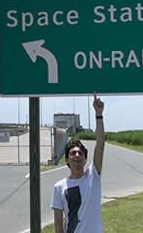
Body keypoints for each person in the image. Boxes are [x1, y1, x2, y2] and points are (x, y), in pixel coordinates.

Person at [51, 92, 105, 233]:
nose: (77, 155)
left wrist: (98, 115)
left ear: (85, 159)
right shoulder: (59, 187)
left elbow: (100, 143)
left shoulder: (93, 176)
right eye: (72, 153)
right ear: (67, 160)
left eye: (80, 153)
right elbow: (58, 223)